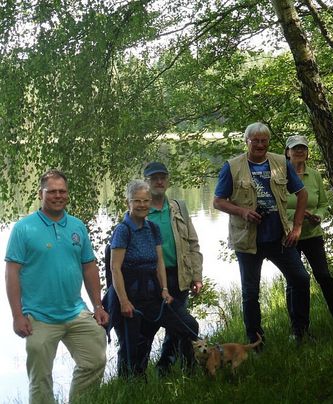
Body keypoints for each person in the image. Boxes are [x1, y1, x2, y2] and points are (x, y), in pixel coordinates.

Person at [5, 169, 109, 404]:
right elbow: (12, 273)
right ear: (41, 193)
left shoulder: (77, 226)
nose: (58, 196)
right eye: (52, 191)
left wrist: (98, 305)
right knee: (40, 380)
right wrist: (17, 315)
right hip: (39, 317)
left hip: (75, 312)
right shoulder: (24, 229)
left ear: (67, 194)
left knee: (95, 360)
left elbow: (89, 266)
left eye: (62, 191)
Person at [213, 122, 311, 346]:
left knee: (300, 279)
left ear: (268, 142)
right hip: (248, 240)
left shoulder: (281, 162)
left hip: (280, 238)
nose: (259, 144)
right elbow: (217, 201)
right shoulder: (232, 166)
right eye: (254, 140)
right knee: (250, 293)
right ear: (246, 141)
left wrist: (296, 227)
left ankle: (300, 332)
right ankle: (256, 342)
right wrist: (243, 212)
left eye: (263, 140)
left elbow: (302, 194)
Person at [107, 180, 199, 377]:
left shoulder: (153, 228)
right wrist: (124, 301)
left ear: (150, 201)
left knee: (188, 325)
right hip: (129, 294)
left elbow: (159, 262)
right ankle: (130, 386)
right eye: (137, 201)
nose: (142, 205)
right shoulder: (123, 230)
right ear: (128, 203)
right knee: (132, 346)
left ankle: (189, 372)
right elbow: (115, 268)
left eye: (146, 200)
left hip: (153, 293)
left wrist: (165, 289)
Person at [284, 135, 333, 326]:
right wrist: (299, 213)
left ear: (307, 153)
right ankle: (297, 328)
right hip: (289, 236)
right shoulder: (279, 176)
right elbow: (277, 206)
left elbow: (322, 203)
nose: (299, 151)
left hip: (313, 234)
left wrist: (319, 216)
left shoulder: (314, 175)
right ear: (287, 153)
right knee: (294, 281)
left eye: (302, 148)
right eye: (295, 148)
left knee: (323, 275)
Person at [143, 162, 203, 374]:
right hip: (152, 279)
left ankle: (176, 366)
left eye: (162, 177)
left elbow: (193, 242)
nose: (159, 181)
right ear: (146, 182)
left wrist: (197, 276)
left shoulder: (178, 207)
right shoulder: (140, 210)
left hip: (179, 274)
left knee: (178, 325)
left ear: (168, 180)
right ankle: (139, 372)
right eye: (154, 178)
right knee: (154, 326)